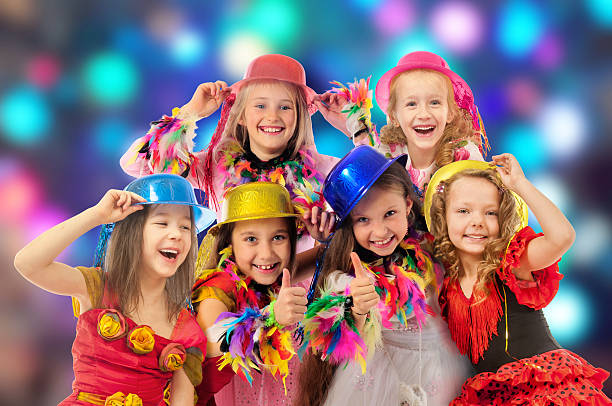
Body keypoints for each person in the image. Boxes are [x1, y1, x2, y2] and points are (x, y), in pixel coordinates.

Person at [13, 174, 216, 405]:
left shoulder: (187, 330)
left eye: (185, 227)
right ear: (133, 231)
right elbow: (27, 263)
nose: (176, 234)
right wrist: (97, 215)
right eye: (162, 223)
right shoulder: (98, 288)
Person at [425, 156, 611, 405]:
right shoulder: (445, 284)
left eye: (490, 212)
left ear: (502, 220)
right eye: (463, 211)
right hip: (491, 396)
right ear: (443, 217)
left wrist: (520, 184)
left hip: (542, 388)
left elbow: (562, 237)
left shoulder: (511, 262)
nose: (477, 221)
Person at [297, 146, 471, 406]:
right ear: (349, 226)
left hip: (440, 376)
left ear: (408, 204)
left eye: (389, 213)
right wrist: (356, 308)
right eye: (363, 220)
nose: (380, 231)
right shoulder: (346, 278)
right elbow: (335, 341)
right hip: (378, 387)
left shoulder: (429, 248)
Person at [120, 54, 339, 251]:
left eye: (285, 107)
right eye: (260, 106)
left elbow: (372, 187)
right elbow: (134, 163)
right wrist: (189, 112)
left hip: (295, 291)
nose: (273, 116)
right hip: (228, 291)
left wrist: (354, 128)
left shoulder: (320, 170)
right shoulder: (215, 165)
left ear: (300, 117)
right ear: (241, 116)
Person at [192, 182, 314, 405]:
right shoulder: (219, 286)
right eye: (251, 239)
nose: (266, 254)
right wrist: (270, 317)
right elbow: (209, 344)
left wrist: (323, 237)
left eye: (278, 237)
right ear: (229, 243)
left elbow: (324, 256)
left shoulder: (276, 278)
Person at [317, 51, 488, 200]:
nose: (423, 114)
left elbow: (485, 199)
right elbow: (369, 158)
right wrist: (351, 119)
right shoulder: (390, 152)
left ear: (450, 113)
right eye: (411, 104)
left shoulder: (464, 153)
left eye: (434, 102)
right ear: (394, 116)